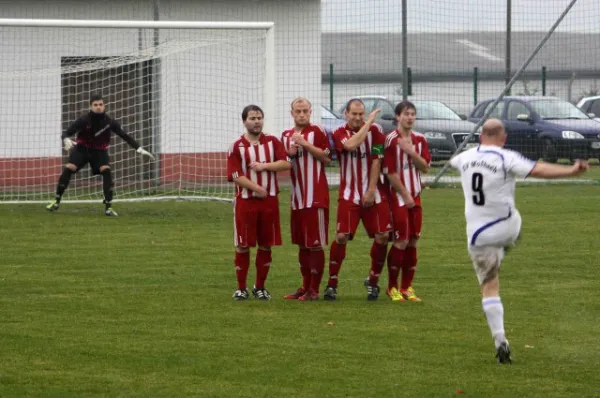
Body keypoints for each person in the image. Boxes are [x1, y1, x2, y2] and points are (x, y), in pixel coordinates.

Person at [449, 118, 589, 364]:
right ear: (503, 139)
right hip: (506, 227)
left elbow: (451, 163)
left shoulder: (464, 158)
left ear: (481, 136)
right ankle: (505, 247)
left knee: (489, 287)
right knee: (513, 221)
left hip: (477, 236)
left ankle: (500, 339)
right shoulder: (506, 157)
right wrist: (571, 170)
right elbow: (538, 169)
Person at [325, 99, 391, 301]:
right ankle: (332, 283)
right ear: (346, 114)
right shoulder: (339, 133)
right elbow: (351, 145)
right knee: (342, 236)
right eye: (354, 114)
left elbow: (377, 160)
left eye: (361, 114)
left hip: (374, 192)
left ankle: (373, 281)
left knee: (382, 236)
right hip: (348, 194)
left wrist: (371, 190)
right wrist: (369, 123)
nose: (357, 117)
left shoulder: (377, 132)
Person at [45, 94, 155, 216]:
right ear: (90, 106)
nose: (98, 107)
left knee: (106, 170)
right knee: (69, 167)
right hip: (82, 149)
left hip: (100, 152)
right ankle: (56, 200)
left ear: (104, 106)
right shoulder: (83, 120)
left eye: (101, 104)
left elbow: (124, 135)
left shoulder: (109, 122)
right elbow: (66, 133)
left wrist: (139, 148)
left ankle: (108, 207)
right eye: (95, 105)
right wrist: (66, 139)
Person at [226, 104, 292, 301]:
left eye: (259, 118)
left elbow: (286, 162)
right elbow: (235, 175)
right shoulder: (236, 146)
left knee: (265, 245)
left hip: (269, 202)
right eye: (252, 118)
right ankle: (241, 288)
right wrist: (257, 188)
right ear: (244, 121)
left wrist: (264, 166)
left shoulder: (272, 141)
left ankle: (260, 287)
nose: (256, 122)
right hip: (246, 202)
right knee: (243, 245)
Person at [281, 97, 332, 301]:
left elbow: (327, 158)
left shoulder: (317, 131)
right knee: (302, 244)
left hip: (316, 197)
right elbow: (283, 163)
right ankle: (304, 286)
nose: (302, 114)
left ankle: (314, 290)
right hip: (297, 198)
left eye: (305, 111)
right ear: (291, 113)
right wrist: (289, 154)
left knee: (315, 244)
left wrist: (305, 144)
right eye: (298, 111)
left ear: (310, 112)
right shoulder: (285, 135)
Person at [382, 100, 431, 302]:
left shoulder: (419, 139)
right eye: (406, 114)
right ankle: (392, 287)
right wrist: (405, 195)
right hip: (398, 197)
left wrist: (411, 152)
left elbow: (426, 167)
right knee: (401, 240)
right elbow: (390, 173)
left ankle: (407, 287)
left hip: (415, 195)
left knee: (413, 240)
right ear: (397, 117)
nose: (410, 117)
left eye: (412, 114)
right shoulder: (391, 140)